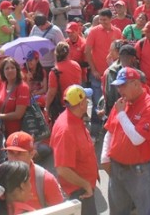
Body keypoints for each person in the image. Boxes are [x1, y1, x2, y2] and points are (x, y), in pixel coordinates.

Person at [101, 67, 150, 215]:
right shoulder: (121, 104)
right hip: (117, 167)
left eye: (123, 85)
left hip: (139, 171)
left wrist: (122, 114)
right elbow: (110, 131)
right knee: (117, 212)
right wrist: (104, 157)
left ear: (136, 84)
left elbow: (137, 139)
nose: (119, 90)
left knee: (144, 211)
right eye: (118, 86)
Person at [51, 85, 98, 215]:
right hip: (79, 192)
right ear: (81, 104)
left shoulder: (74, 118)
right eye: (86, 100)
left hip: (82, 187)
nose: (88, 102)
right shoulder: (66, 130)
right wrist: (85, 185)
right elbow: (62, 169)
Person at [0, 131, 63, 210]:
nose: (14, 158)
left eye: (19, 153)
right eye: (11, 152)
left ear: (32, 154)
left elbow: (61, 211)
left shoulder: (45, 179)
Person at [85, 8, 123, 131]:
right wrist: (93, 70)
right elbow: (87, 51)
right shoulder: (93, 31)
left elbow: (120, 51)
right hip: (98, 74)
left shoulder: (117, 32)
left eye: (105, 20)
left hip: (113, 75)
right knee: (97, 102)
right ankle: (95, 130)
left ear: (111, 19)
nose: (102, 22)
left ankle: (110, 127)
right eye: (100, 20)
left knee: (112, 101)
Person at [45, 42, 82, 124]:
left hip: (63, 106)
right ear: (68, 53)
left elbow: (52, 92)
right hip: (77, 103)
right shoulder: (76, 65)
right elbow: (79, 83)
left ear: (55, 54)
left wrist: (46, 107)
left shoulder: (54, 71)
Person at [0, 57, 30, 137]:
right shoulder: (3, 84)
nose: (10, 70)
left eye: (12, 68)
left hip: (18, 133)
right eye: (7, 68)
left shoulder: (23, 87)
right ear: (3, 71)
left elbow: (18, 114)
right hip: (3, 131)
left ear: (17, 70)